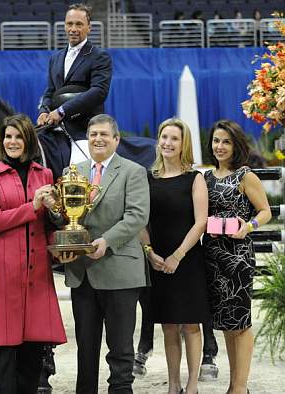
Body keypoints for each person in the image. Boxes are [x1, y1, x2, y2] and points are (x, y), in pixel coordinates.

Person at [55, 114, 150, 393]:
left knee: (120, 349)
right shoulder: (73, 172)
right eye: (93, 134)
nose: (98, 139)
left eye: (104, 134)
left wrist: (106, 241)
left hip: (120, 271)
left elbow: (137, 216)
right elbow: (67, 216)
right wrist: (53, 208)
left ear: (116, 140)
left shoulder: (133, 171)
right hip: (82, 271)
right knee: (85, 348)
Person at [0, 114, 67, 393]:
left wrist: (60, 242)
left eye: (18, 136)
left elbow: (51, 222)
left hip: (38, 268)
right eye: (7, 137)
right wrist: (34, 205)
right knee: (1, 347)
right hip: (5, 271)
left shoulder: (45, 174)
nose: (12, 142)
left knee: (33, 349)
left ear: (28, 139)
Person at [140, 118, 210, 394]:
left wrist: (178, 255)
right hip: (158, 261)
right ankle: (174, 385)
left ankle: (192, 385)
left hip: (188, 260)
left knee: (191, 325)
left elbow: (201, 222)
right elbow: (141, 222)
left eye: (174, 139)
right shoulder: (149, 178)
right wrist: (150, 253)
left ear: (184, 144)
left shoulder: (195, 179)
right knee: (168, 326)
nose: (168, 143)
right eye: (164, 137)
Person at [204, 120, 271, 394]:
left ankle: (240, 388)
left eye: (226, 142)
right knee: (226, 323)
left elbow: (265, 211)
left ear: (236, 145)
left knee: (241, 323)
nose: (220, 146)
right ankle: (234, 384)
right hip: (212, 255)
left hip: (238, 255)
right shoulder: (206, 178)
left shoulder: (245, 176)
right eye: (216, 140)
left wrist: (250, 226)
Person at [36, 3, 112, 176]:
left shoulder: (99, 56)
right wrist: (43, 110)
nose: (73, 29)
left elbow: (99, 92)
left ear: (89, 27)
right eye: (69, 24)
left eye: (79, 24)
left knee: (78, 177)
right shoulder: (55, 58)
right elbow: (50, 92)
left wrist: (62, 111)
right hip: (53, 127)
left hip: (83, 129)